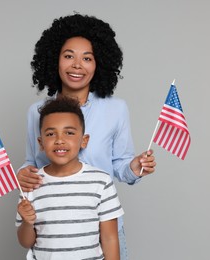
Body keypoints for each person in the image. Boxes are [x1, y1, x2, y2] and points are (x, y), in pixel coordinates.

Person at [17, 13, 156, 259]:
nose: (77, 65)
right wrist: (23, 173)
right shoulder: (36, 113)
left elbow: (120, 165)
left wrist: (134, 167)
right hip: (53, 230)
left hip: (103, 226)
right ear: (54, 60)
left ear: (99, 63)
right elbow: (33, 162)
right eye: (69, 56)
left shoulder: (116, 109)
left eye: (87, 58)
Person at [16, 97, 123, 260]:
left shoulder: (101, 182)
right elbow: (25, 242)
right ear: (41, 143)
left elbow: (110, 238)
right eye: (51, 134)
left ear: (84, 140)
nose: (59, 140)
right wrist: (27, 222)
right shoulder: (31, 184)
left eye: (69, 133)